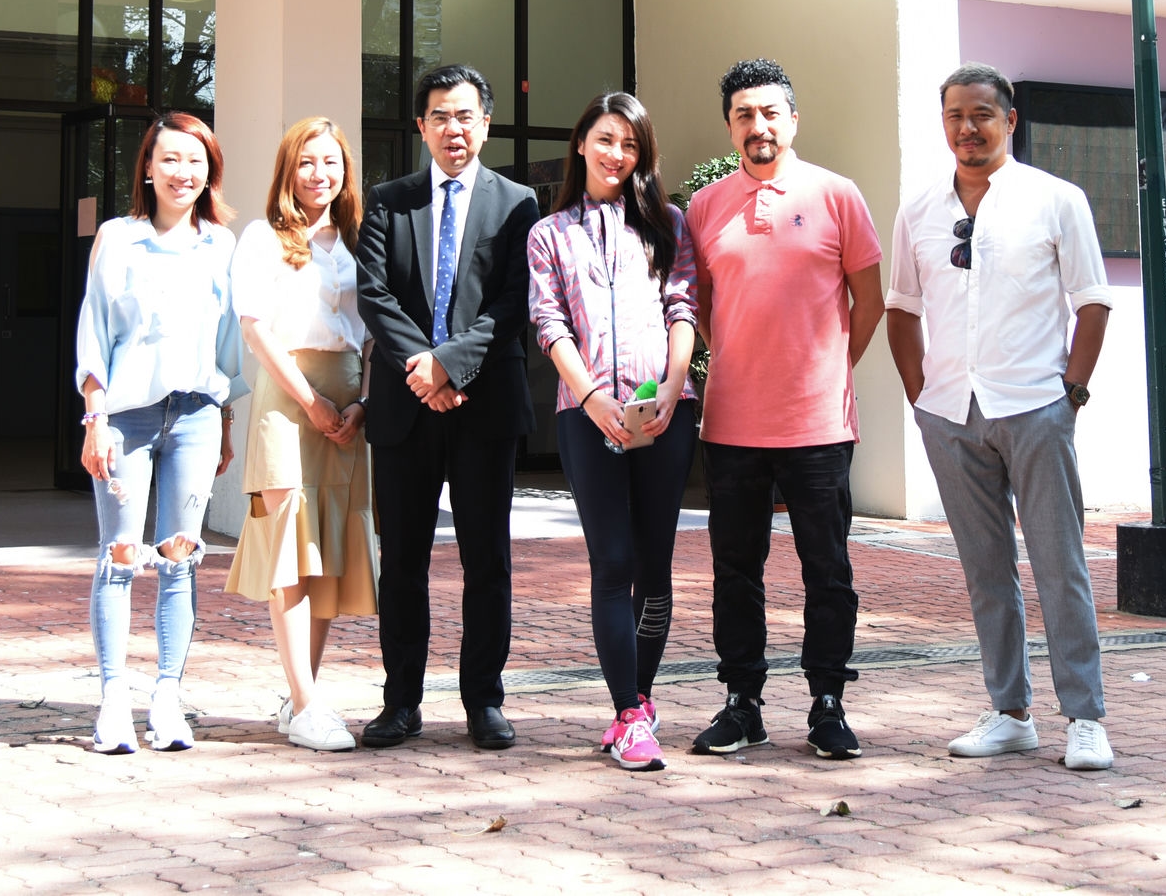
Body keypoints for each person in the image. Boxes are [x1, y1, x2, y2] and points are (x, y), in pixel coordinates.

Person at [884, 64, 1117, 771]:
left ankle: (1085, 717)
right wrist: (923, 398)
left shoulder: (1056, 200)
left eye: (982, 114)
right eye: (955, 115)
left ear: (1009, 120)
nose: (968, 128)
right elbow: (901, 309)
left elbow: (1092, 302)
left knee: (1059, 564)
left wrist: (1070, 394)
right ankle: (1010, 713)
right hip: (951, 415)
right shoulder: (919, 210)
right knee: (986, 570)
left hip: (1035, 407)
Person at [685, 58, 884, 762]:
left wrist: (829, 365)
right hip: (732, 422)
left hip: (819, 424)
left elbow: (870, 300)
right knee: (735, 572)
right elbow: (701, 306)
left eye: (770, 112)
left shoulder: (837, 195)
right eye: (744, 114)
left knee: (827, 570)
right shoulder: (705, 207)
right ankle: (743, 703)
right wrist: (738, 355)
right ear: (730, 126)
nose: (758, 125)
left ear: (793, 120)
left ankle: (828, 702)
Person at [355, 64, 540, 751]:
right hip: (405, 407)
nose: (453, 128)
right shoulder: (388, 200)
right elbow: (374, 294)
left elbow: (515, 300)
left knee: (486, 561)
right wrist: (424, 368)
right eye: (440, 116)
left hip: (484, 405)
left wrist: (452, 363)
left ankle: (483, 700)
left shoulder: (518, 203)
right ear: (421, 126)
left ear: (485, 124)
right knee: (403, 560)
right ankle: (401, 701)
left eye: (465, 116)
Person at [527, 91, 700, 772]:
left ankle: (641, 701)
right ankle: (628, 714)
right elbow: (549, 322)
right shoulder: (549, 233)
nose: (616, 154)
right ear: (581, 143)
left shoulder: (668, 224)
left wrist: (675, 386)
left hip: (666, 412)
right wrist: (592, 395)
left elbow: (682, 306)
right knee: (613, 562)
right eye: (605, 139)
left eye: (629, 145)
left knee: (655, 566)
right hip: (587, 414)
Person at [72, 111, 242, 756]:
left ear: (210, 171)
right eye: (170, 158)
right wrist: (95, 420)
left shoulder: (221, 244)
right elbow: (94, 333)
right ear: (147, 167)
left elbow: (229, 343)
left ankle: (167, 699)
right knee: (120, 555)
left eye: (195, 160)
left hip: (198, 416)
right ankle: (114, 700)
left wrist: (225, 422)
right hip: (127, 419)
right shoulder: (118, 238)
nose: (182, 172)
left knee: (180, 557)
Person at [227, 116, 377, 753]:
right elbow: (255, 328)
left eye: (331, 162)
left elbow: (372, 334)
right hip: (288, 399)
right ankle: (309, 702)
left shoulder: (358, 240)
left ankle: (299, 699)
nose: (320, 173)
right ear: (288, 171)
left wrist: (362, 401)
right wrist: (312, 402)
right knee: (290, 549)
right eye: (307, 162)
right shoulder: (263, 238)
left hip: (348, 401)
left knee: (325, 551)